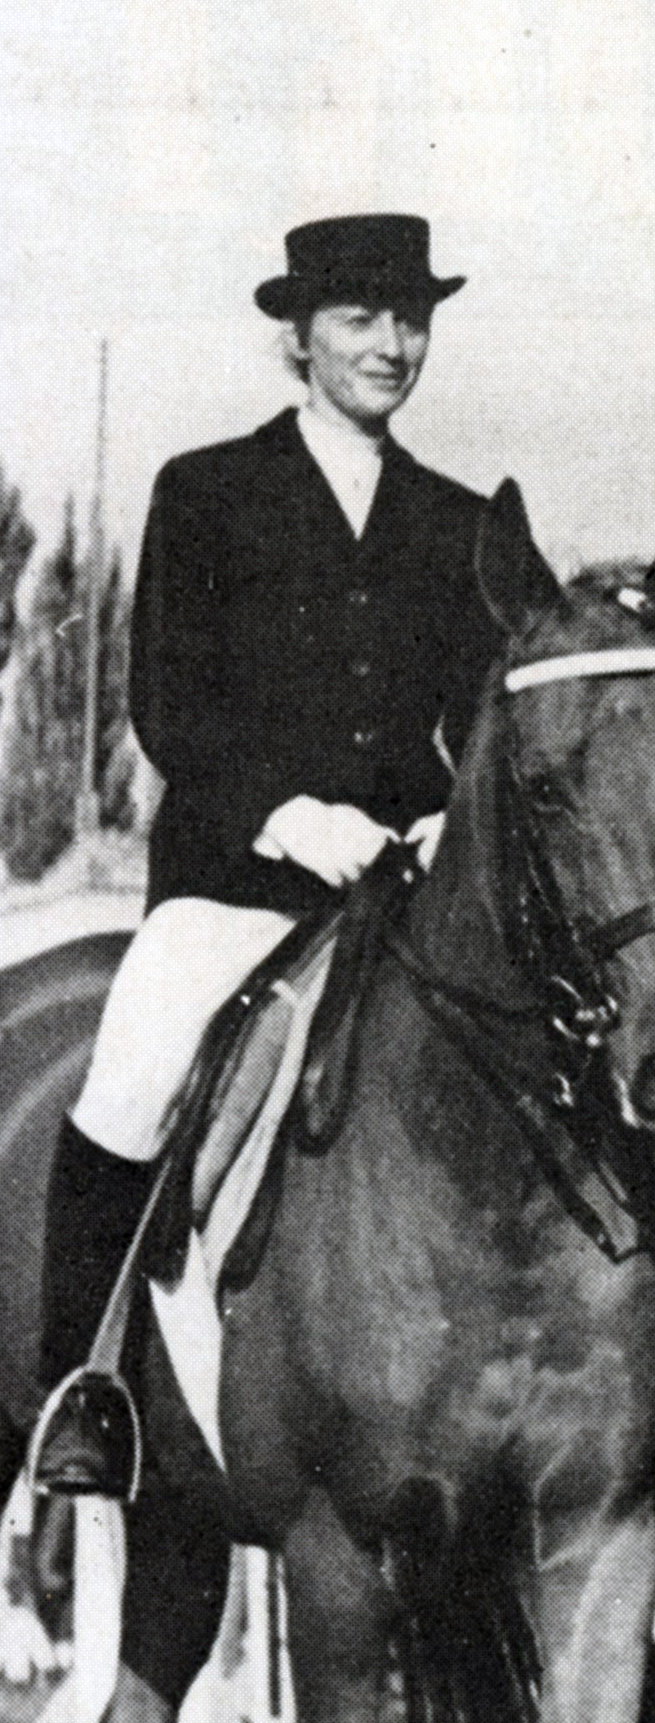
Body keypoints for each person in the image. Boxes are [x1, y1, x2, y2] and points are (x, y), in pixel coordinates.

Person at [32, 213, 493, 1497]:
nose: (391, 345)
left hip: (401, 895)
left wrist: (457, 817)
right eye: (360, 319)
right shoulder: (208, 490)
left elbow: (490, 714)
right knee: (129, 1076)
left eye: (411, 319)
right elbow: (167, 699)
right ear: (299, 339)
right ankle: (83, 1385)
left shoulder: (458, 520)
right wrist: (289, 814)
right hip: (241, 888)